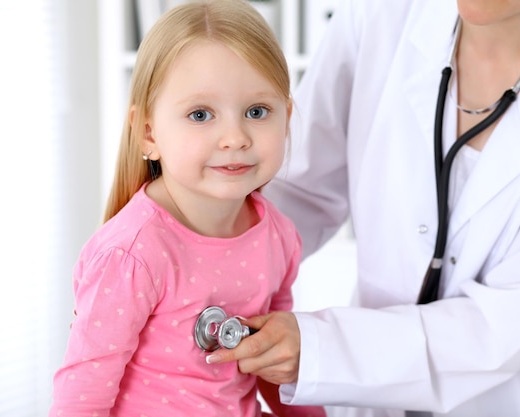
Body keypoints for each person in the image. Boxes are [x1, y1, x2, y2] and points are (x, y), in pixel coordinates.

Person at [208, 0, 520, 416]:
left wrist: (319, 349)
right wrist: (194, 264)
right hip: (364, 402)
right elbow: (296, 191)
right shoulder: (383, 12)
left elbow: (499, 328)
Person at [48, 1, 326, 417]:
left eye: (256, 111)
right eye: (200, 114)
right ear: (148, 133)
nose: (234, 137)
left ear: (286, 119)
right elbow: (81, 400)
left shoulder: (278, 235)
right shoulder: (132, 256)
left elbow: (270, 359)